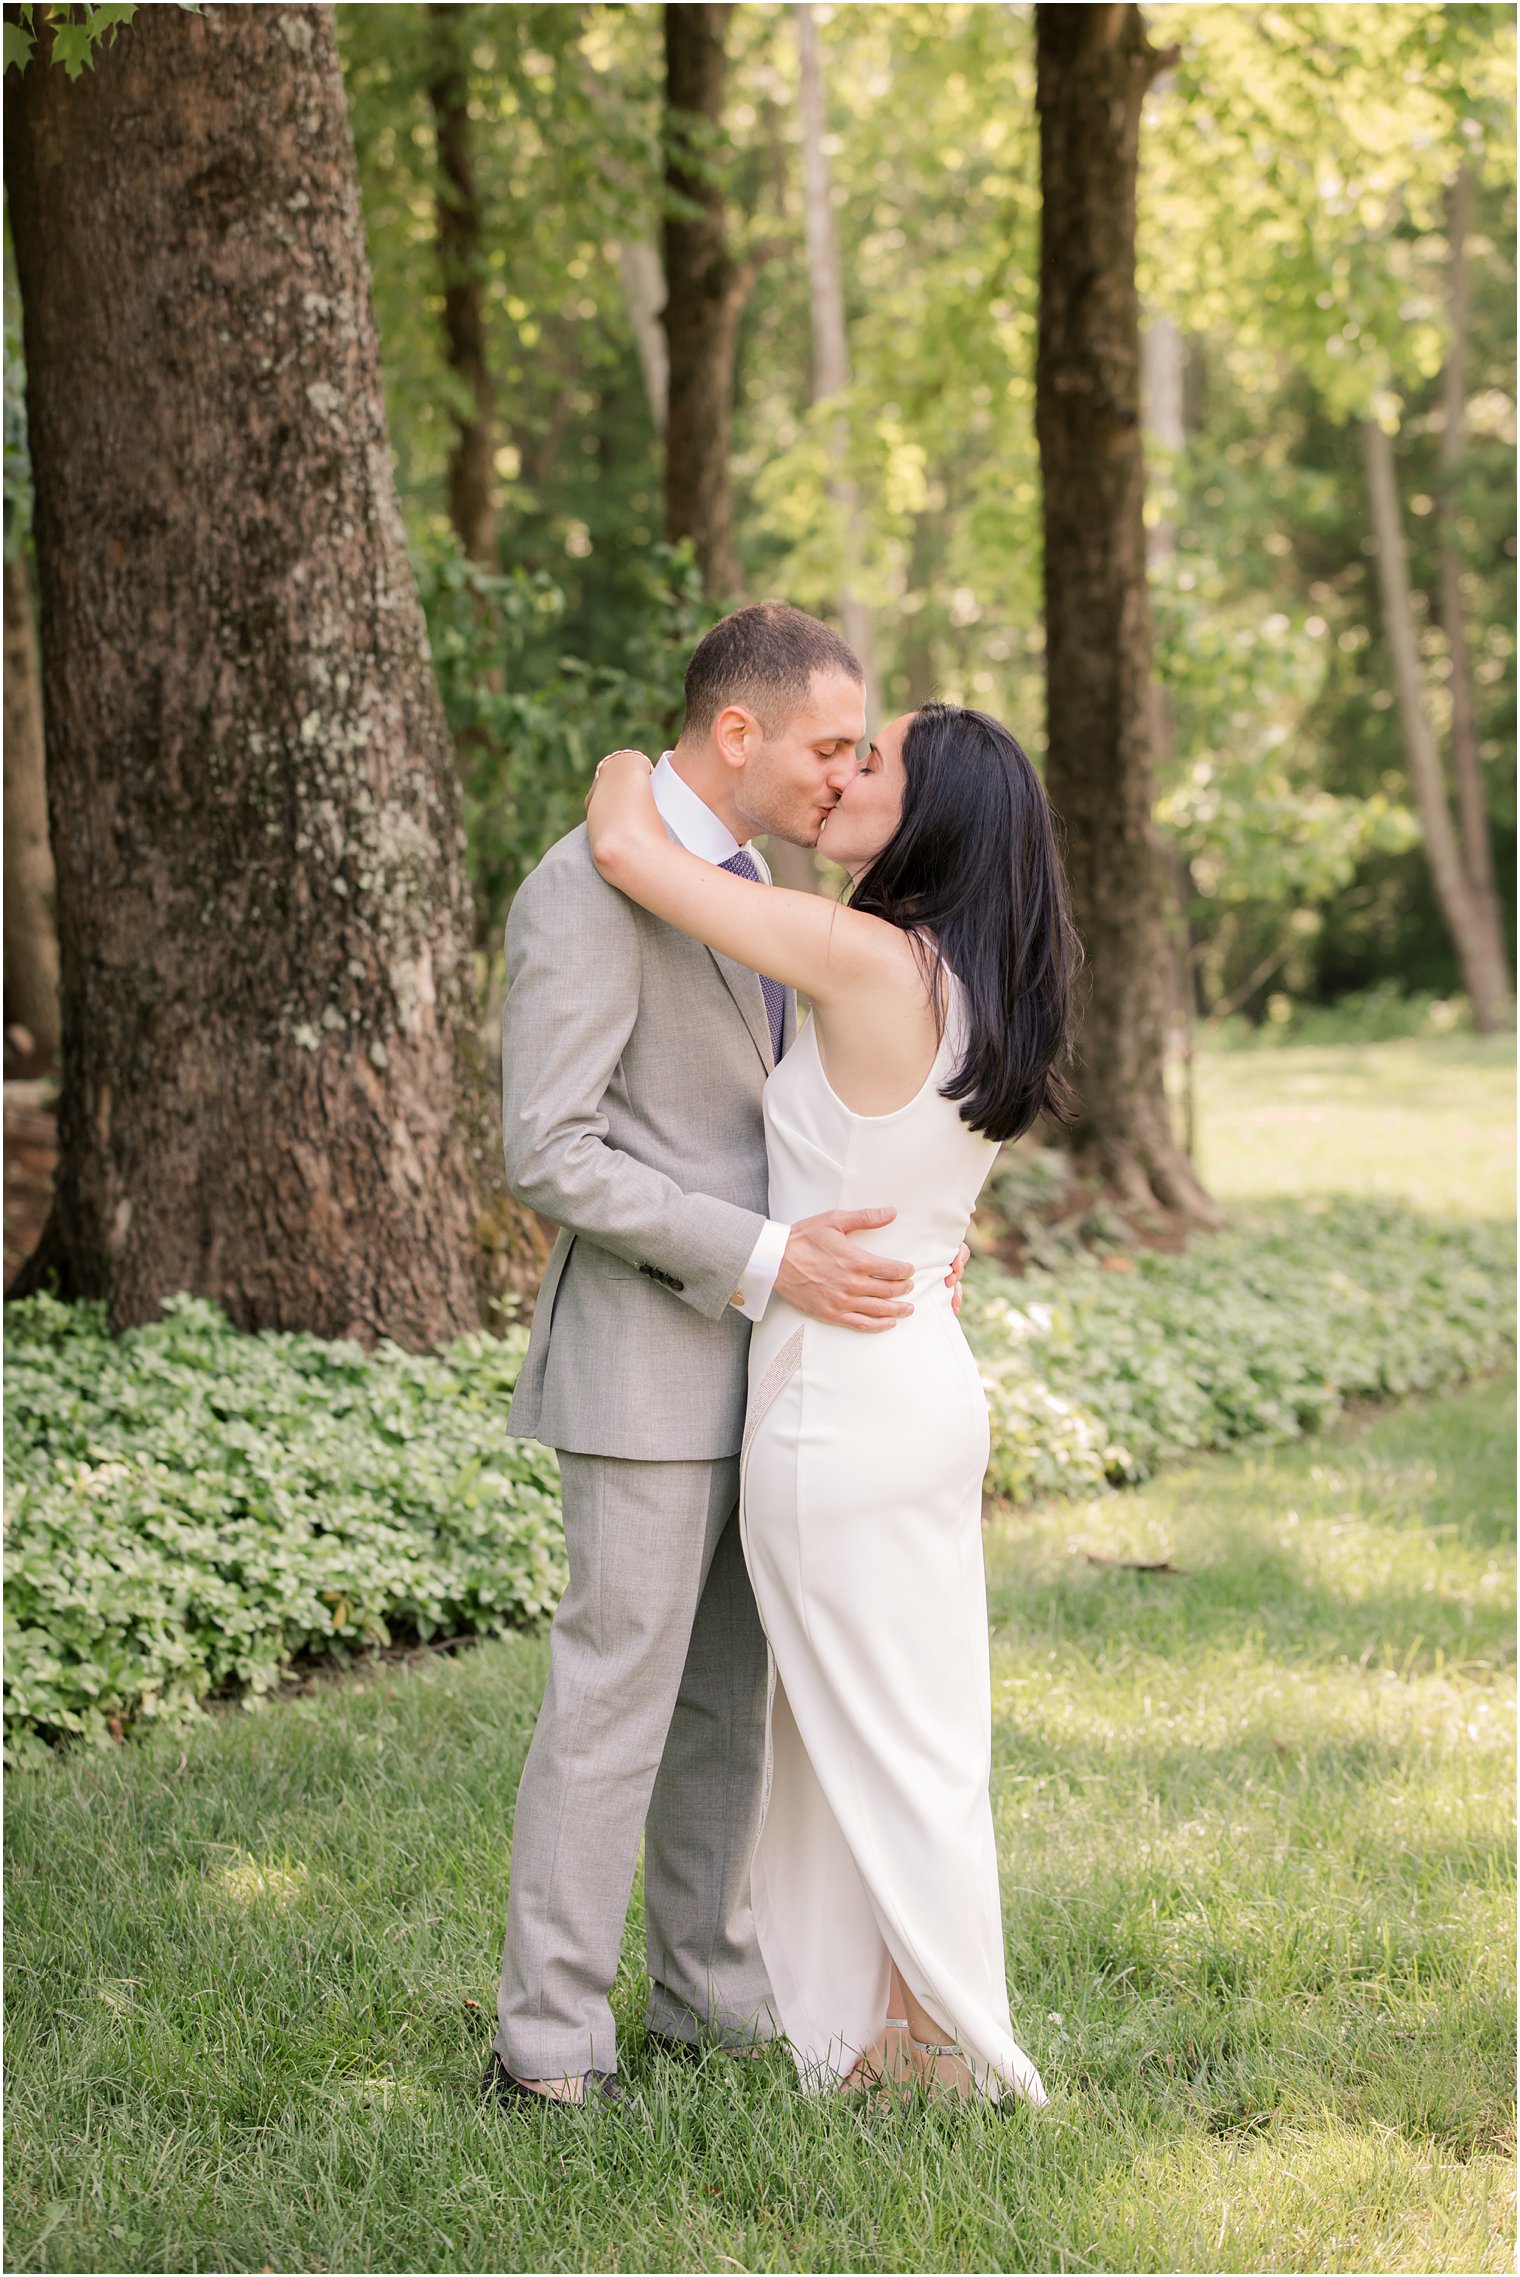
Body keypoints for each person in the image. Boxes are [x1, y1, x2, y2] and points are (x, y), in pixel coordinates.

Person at [484, 604, 970, 2114]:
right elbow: (546, 1148)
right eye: (831, 744)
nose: (845, 774)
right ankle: (547, 2042)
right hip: (643, 1358)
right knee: (612, 1700)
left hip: (781, 1380)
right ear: (740, 732)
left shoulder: (750, 890)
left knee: (728, 1707)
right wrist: (768, 1258)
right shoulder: (587, 887)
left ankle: (710, 1997)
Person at [584, 699, 1077, 2108]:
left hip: (841, 1407)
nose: (851, 774)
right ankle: (900, 2030)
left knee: (874, 1739)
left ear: (930, 816)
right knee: (906, 1732)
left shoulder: (862, 956)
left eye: (880, 762)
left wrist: (643, 755)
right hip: (918, 1381)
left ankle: (954, 2046)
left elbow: (632, 847)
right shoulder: (977, 983)